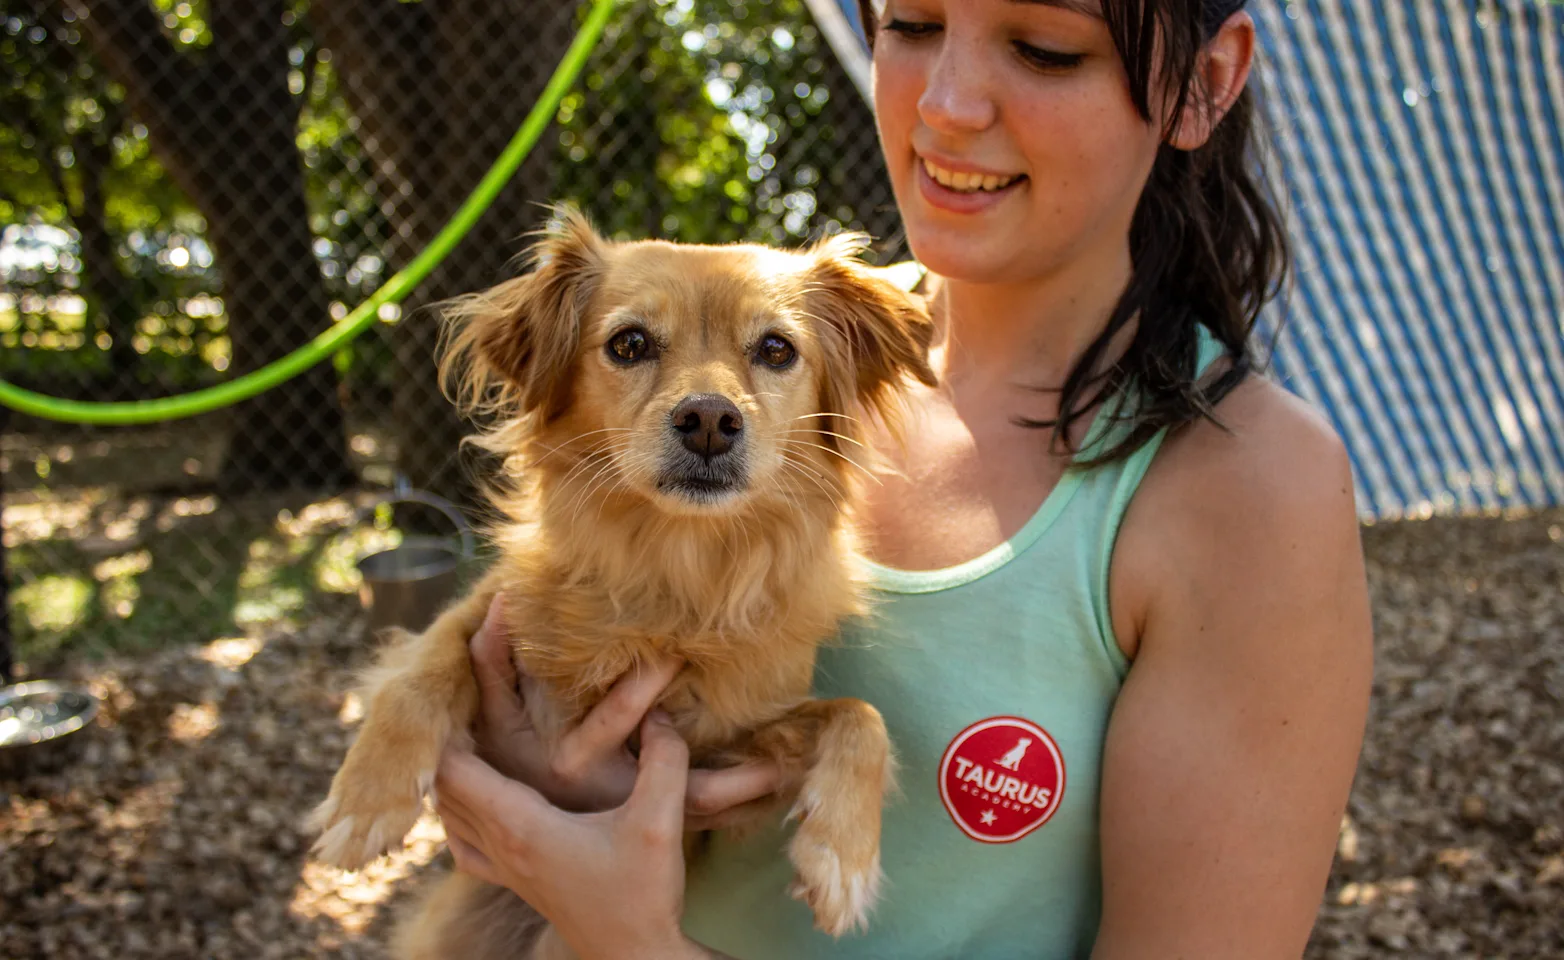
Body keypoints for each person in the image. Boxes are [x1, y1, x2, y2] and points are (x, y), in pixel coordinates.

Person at [429, 0, 1375, 956]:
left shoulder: (1247, 493)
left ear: (1205, 83)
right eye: (912, 24)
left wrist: (625, 936)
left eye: (1045, 49)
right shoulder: (794, 355)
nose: (949, 103)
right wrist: (518, 785)